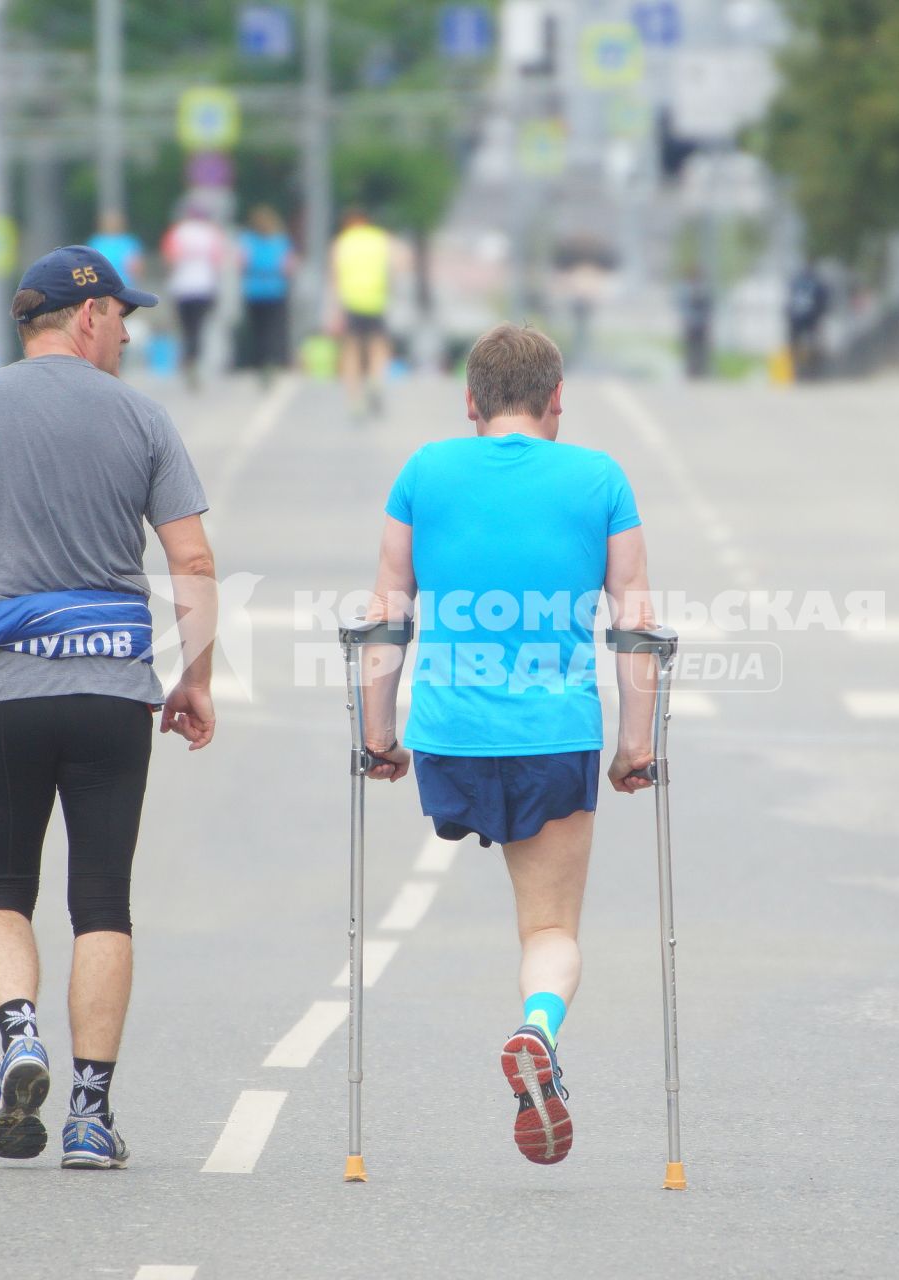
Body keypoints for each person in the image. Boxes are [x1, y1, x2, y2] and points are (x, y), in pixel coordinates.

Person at [0, 244, 217, 1170]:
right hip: (111, 690)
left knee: (0, 891)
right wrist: (194, 678)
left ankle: (20, 1033)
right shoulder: (143, 420)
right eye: (123, 318)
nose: (127, 336)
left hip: (3, 693)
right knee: (102, 899)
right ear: (86, 317)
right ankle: (88, 1115)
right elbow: (191, 564)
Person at [356, 324, 658, 1167]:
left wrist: (377, 733)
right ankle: (537, 1029)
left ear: (471, 403)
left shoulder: (424, 471)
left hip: (449, 736)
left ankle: (535, 1040)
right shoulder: (600, 478)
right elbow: (634, 621)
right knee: (551, 927)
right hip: (554, 735)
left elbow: (389, 605)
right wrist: (635, 745)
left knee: (513, 889)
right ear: (557, 400)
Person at [330, 208, 400, 419]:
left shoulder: (341, 242)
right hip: (376, 300)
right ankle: (376, 381)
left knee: (351, 350)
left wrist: (334, 310)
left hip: (351, 302)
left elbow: (334, 276)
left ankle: (355, 400)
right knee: (378, 346)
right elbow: (394, 266)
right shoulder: (380, 239)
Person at [161, 199, 224, 391]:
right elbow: (216, 262)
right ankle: (194, 359)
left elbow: (170, 259)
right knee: (199, 327)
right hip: (204, 286)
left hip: (181, 286)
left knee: (186, 327)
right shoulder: (211, 233)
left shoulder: (177, 233)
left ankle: (188, 359)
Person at [236, 204, 295, 386]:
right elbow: (288, 266)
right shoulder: (280, 241)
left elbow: (242, 263)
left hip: (253, 290)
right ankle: (272, 361)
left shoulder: (247, 240)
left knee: (258, 330)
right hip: (275, 289)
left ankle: (259, 362)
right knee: (274, 329)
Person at [785, 261, 830, 379]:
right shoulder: (818, 284)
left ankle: (796, 366)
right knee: (816, 342)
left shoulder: (795, 282)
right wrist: (821, 316)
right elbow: (823, 302)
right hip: (811, 318)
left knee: (795, 343)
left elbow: (789, 302)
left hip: (796, 319)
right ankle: (813, 368)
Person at [88, 210, 144, 287]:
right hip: (102, 285)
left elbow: (137, 264)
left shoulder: (129, 241)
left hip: (125, 284)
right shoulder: (96, 242)